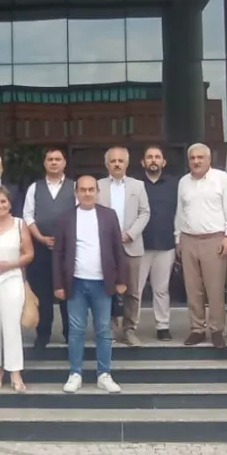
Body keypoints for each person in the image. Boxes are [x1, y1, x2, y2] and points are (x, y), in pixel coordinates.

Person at [53, 176, 127, 394]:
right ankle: (75, 373)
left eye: (91, 189)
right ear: (76, 192)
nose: (87, 193)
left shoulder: (108, 215)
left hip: (102, 283)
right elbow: (58, 253)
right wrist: (58, 284)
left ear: (97, 191)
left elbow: (118, 249)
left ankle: (104, 374)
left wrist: (122, 280)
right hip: (75, 282)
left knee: (103, 330)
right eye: (83, 190)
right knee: (76, 330)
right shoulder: (65, 217)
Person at [176, 143, 227, 348]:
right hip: (188, 239)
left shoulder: (222, 179)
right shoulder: (183, 182)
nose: (196, 161)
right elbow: (180, 212)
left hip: (214, 239)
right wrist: (178, 238)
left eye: (200, 157)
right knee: (192, 288)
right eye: (192, 158)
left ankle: (216, 330)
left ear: (209, 159)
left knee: (214, 288)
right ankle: (197, 329)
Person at [0, 186, 34, 393]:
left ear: (9, 203)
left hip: (11, 280)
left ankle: (15, 372)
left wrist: (11, 264)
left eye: (3, 201)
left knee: (11, 327)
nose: (0, 205)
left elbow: (29, 253)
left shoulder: (20, 224)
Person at [97, 147, 150, 346]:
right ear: (107, 164)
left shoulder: (138, 185)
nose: (117, 164)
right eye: (113, 161)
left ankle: (129, 330)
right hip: (105, 245)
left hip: (132, 244)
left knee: (133, 291)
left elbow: (145, 212)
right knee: (106, 289)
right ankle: (109, 329)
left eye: (120, 161)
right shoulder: (98, 186)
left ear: (127, 164)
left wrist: (130, 234)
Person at [23, 147, 73, 348]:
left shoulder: (74, 187)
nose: (54, 162)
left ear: (64, 163)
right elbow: (28, 216)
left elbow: (79, 215)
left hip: (67, 250)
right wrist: (41, 238)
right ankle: (43, 334)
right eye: (50, 159)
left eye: (57, 159)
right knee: (42, 293)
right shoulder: (34, 188)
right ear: (44, 163)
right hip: (40, 248)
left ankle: (70, 334)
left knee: (68, 292)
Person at [138, 144, 179, 341]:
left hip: (166, 243)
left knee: (161, 289)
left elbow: (181, 212)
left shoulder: (174, 185)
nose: (153, 160)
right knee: (135, 290)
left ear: (163, 162)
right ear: (143, 162)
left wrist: (178, 239)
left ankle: (163, 326)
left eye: (157, 157)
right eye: (149, 157)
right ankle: (131, 326)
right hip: (139, 245)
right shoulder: (136, 185)